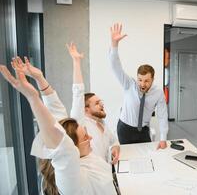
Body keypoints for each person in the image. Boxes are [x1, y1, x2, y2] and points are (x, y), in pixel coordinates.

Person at [4, 57, 117, 195]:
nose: (90, 137)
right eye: (85, 137)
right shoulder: (72, 179)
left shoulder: (85, 154)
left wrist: (39, 78)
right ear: (73, 147)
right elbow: (61, 145)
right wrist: (32, 97)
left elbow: (55, 108)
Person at [109, 23, 168, 149]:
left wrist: (163, 138)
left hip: (143, 131)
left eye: (146, 81)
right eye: (140, 80)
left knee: (147, 157)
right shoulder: (129, 84)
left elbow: (162, 115)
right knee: (127, 160)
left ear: (153, 79)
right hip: (125, 129)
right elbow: (115, 67)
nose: (142, 84)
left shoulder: (158, 93)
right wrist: (114, 45)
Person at [66, 42, 120, 164]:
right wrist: (76, 62)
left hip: (106, 172)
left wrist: (115, 148)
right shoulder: (80, 123)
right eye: (97, 103)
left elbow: (114, 141)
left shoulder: (102, 124)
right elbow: (78, 94)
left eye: (101, 102)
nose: (101, 104)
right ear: (85, 109)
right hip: (93, 178)